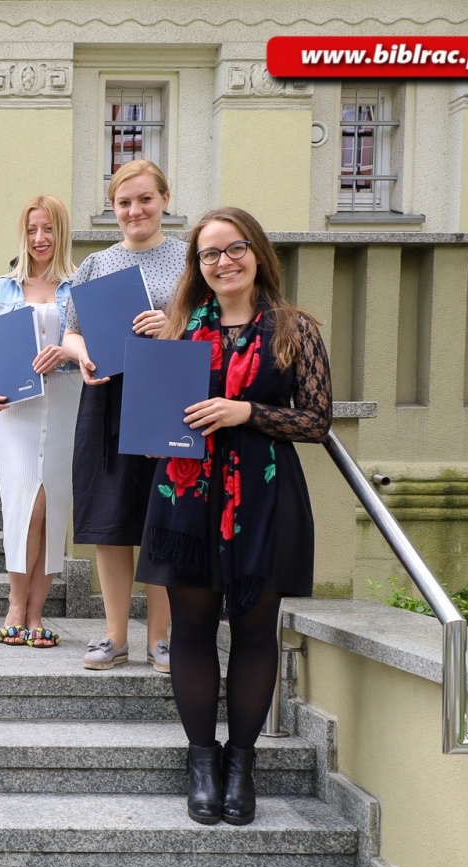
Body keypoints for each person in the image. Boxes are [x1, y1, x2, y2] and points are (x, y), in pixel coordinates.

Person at [140, 207, 331, 827]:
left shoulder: (294, 328)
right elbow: (154, 411)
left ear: (257, 253)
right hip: (185, 500)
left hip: (263, 496)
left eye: (234, 249)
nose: (223, 262)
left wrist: (245, 413)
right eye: (209, 254)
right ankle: (202, 763)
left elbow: (317, 421)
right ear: (197, 266)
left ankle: (242, 765)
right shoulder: (176, 328)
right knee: (191, 632)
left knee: (254, 631)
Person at [60, 159, 184, 671]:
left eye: (145, 199)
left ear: (164, 199)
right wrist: (80, 356)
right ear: (113, 208)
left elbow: (214, 327)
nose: (135, 210)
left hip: (167, 392)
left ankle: (162, 638)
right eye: (124, 202)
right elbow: (71, 331)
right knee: (110, 520)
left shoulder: (191, 260)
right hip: (107, 395)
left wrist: (174, 323)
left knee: (164, 516)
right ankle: (114, 636)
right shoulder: (96, 265)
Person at [0, 194, 80, 649]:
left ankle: (37, 614)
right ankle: (16, 605)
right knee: (23, 506)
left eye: (49, 229)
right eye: (33, 229)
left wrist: (68, 352)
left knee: (52, 507)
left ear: (61, 233)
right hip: (15, 410)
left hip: (66, 403)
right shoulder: (2, 287)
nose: (40, 239)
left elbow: (93, 352)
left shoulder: (78, 285)